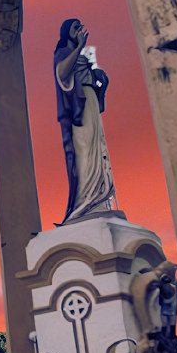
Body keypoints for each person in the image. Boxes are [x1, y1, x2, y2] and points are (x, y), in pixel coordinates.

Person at [54, 18, 116, 223]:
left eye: (80, 27)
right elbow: (62, 74)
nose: (79, 30)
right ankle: (85, 202)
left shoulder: (86, 56)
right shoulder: (63, 53)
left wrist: (102, 84)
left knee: (98, 148)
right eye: (75, 27)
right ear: (67, 32)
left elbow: (101, 105)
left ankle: (99, 200)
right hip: (77, 109)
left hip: (90, 102)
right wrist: (80, 46)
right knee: (85, 151)